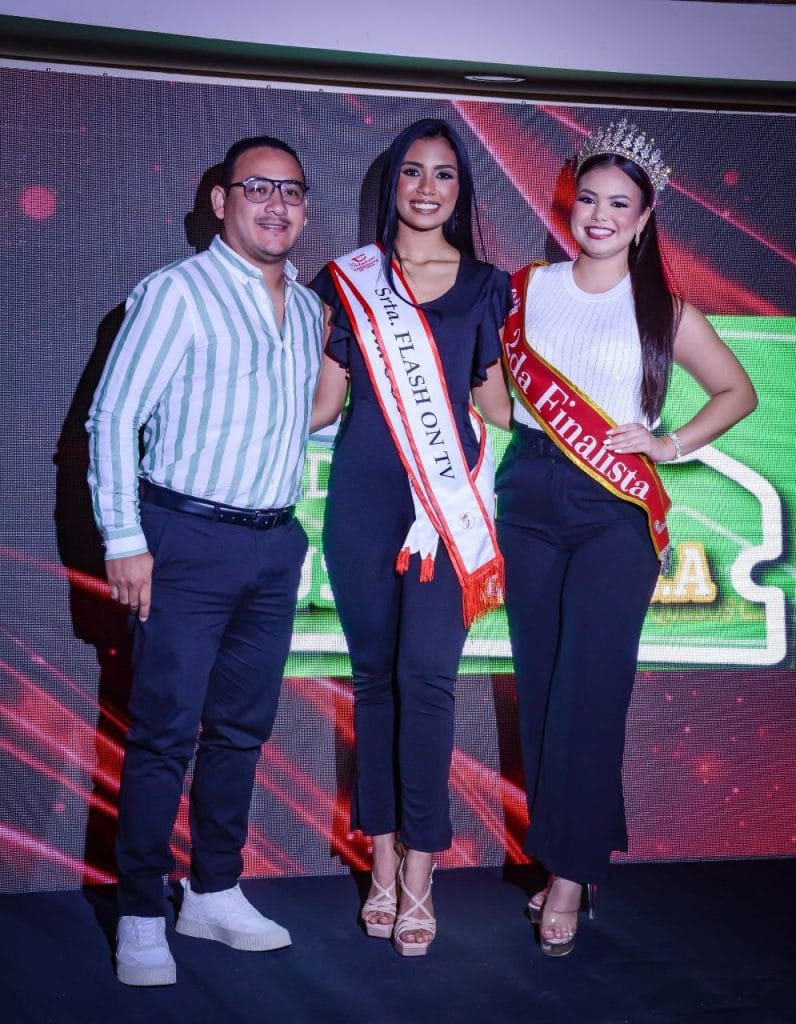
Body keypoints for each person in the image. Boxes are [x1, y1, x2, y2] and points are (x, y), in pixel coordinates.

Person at [496, 120, 757, 956]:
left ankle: (571, 875)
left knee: (593, 687)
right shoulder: (526, 288)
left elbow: (736, 392)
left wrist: (669, 444)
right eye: (589, 199)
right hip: (529, 492)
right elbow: (496, 395)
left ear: (644, 218)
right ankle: (571, 850)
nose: (600, 216)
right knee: (542, 684)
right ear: (569, 205)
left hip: (614, 508)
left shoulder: (663, 309)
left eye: (619, 204)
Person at [87, 135, 323, 985]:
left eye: (291, 191)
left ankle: (214, 890)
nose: (276, 205)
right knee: (163, 736)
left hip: (274, 543)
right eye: (257, 188)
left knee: (240, 732)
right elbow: (113, 417)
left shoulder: (309, 309)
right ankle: (140, 914)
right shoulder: (176, 293)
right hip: (184, 541)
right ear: (220, 201)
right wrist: (125, 540)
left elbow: (290, 418)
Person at [310, 118, 512, 956]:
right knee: (375, 684)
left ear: (461, 192)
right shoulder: (350, 280)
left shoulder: (488, 285)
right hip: (362, 502)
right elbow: (325, 404)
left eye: (445, 175)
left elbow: (497, 405)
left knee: (427, 681)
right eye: (414, 173)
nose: (428, 189)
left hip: (442, 510)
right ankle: (383, 865)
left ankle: (422, 875)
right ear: (392, 183)